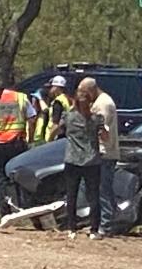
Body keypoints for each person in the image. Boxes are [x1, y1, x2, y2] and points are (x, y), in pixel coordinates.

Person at [56, 81, 108, 240]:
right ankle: (94, 229)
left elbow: (57, 130)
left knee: (71, 195)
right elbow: (106, 137)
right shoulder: (96, 119)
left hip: (72, 160)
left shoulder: (69, 117)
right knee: (93, 196)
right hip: (92, 161)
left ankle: (72, 228)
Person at [0, 83, 38, 214]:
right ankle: (24, 207)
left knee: (1, 178)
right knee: (21, 176)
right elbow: (32, 119)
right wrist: (30, 139)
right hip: (17, 142)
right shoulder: (20, 97)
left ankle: (4, 210)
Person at [77, 78, 120, 234]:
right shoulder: (100, 102)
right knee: (96, 188)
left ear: (90, 90)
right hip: (99, 152)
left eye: (84, 93)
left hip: (104, 153)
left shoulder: (103, 104)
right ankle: (109, 219)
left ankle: (107, 224)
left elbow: (102, 130)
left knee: (103, 189)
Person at [32, 76, 72, 145]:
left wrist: (50, 140)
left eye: (52, 86)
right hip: (65, 135)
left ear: (57, 87)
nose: (50, 89)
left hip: (56, 137)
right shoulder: (66, 98)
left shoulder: (58, 102)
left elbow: (56, 124)